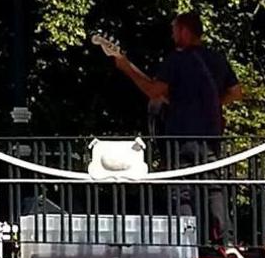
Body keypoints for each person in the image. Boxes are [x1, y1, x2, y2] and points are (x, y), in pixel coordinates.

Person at [99, 12, 244, 166]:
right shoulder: (218, 59)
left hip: (182, 137)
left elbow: (154, 91)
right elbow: (236, 93)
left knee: (182, 185)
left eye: (174, 31)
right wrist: (209, 103)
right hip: (211, 136)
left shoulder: (176, 60)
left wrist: (126, 68)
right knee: (211, 184)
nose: (173, 36)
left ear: (184, 31)